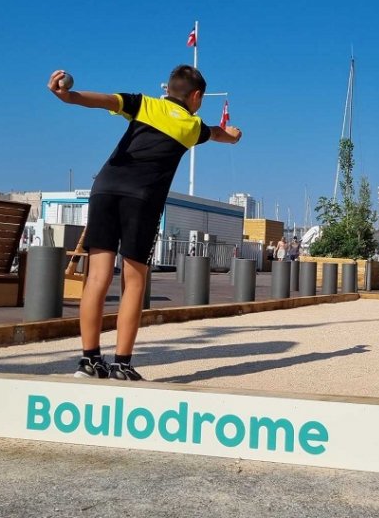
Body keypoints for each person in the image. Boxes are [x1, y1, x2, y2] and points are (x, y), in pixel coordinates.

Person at [48, 65, 242, 381]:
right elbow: (216, 133)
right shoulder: (192, 126)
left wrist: (68, 95)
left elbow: (102, 101)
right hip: (142, 198)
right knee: (134, 280)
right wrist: (233, 138)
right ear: (195, 97)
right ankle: (122, 365)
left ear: (168, 90)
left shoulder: (144, 104)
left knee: (97, 276)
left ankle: (89, 361)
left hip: (105, 188)